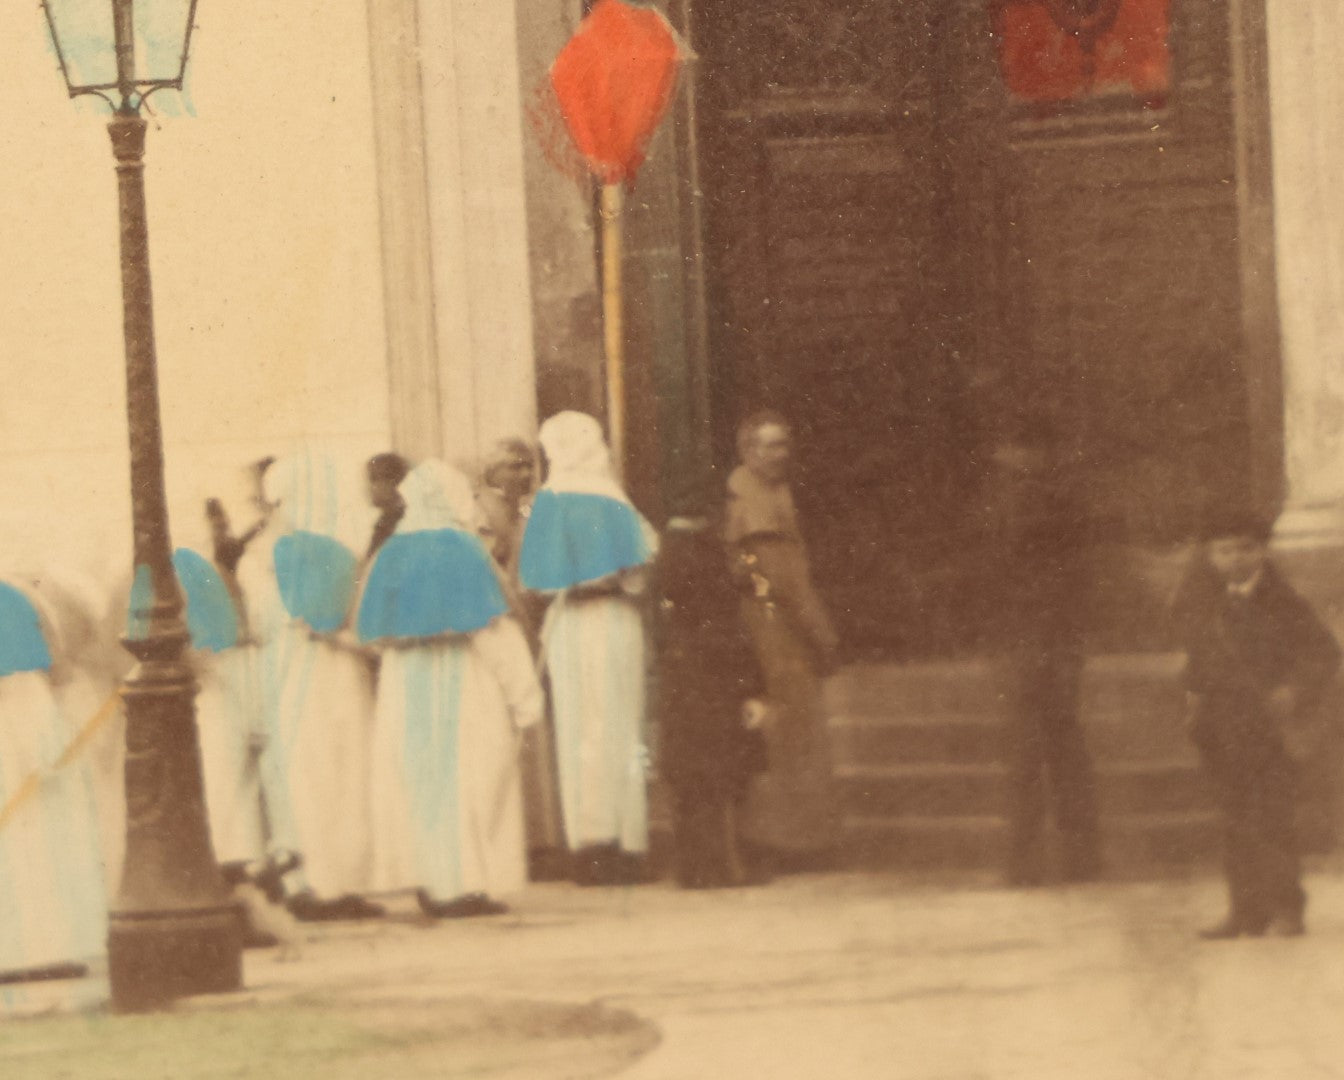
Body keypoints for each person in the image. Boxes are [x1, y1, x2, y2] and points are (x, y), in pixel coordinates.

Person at [358, 460, 544, 917]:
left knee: (416, 781)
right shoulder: (463, 550)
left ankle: (428, 879)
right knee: (470, 778)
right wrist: (525, 698)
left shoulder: (391, 552)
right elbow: (492, 632)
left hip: (406, 683)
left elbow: (372, 631)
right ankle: (464, 884)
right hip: (466, 681)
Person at [1173, 509, 1340, 939]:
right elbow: (1200, 658)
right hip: (1223, 726)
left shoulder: (1283, 601)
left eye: (1246, 548)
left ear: (1263, 551)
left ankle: (1287, 908)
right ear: (1210, 556)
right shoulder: (1208, 603)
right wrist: (1193, 695)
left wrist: (1294, 690)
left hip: (1270, 727)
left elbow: (1322, 654)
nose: (1235, 559)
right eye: (1224, 550)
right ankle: (1244, 911)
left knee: (1273, 818)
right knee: (1235, 820)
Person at [519, 411, 657, 886]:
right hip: (616, 623)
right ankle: (625, 843)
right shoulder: (615, 501)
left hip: (571, 627)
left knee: (582, 728)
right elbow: (638, 573)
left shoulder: (551, 501)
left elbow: (537, 581)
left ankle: (590, 844)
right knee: (621, 724)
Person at [245, 448, 380, 921]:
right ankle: (318, 881)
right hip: (314, 667)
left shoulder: (276, 546)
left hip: (301, 666)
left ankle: (330, 881)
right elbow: (324, 613)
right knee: (321, 770)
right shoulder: (307, 547)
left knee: (325, 770)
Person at [726, 411, 840, 871]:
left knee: (793, 737)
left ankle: (793, 838)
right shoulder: (755, 506)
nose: (781, 454)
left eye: (785, 444)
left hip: (777, 629)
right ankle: (787, 842)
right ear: (748, 451)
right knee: (787, 738)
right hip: (775, 632)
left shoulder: (770, 494)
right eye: (770, 446)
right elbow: (786, 581)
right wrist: (824, 636)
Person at [990, 423, 1101, 886]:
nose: (1009, 459)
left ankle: (1038, 859)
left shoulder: (1042, 502)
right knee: (1052, 745)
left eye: (1018, 449)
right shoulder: (1024, 498)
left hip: (1045, 639)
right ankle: (1066, 858)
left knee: (1041, 747)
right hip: (1032, 635)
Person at [0, 580, 107, 981]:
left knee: (21, 840)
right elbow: (60, 668)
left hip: (14, 718)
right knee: (48, 835)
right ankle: (59, 946)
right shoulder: (24, 594)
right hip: (39, 713)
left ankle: (18, 954)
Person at [656, 508, 769, 888]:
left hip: (684, 686)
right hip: (715, 691)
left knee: (692, 781)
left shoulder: (672, 618)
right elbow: (739, 647)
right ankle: (725, 864)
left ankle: (695, 866)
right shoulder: (720, 607)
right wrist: (754, 689)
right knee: (720, 777)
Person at [476, 437, 567, 879]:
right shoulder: (482, 510)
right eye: (513, 466)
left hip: (530, 624)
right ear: (491, 471)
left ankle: (542, 836)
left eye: (528, 466)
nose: (523, 475)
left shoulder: (531, 509)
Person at [365, 452, 411, 562]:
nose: (369, 488)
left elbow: (372, 564)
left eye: (373, 480)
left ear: (391, 483)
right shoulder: (388, 519)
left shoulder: (391, 522)